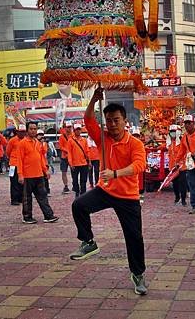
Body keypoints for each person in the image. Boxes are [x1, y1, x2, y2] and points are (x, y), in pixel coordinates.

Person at [69, 88, 148, 296]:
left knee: (134, 238)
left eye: (116, 120)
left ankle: (138, 275)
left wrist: (115, 173)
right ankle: (88, 242)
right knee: (79, 205)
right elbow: (87, 119)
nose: (112, 124)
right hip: (105, 191)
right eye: (109, 120)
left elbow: (139, 166)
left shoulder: (135, 143)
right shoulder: (102, 138)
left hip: (128, 196)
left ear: (124, 121)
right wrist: (94, 99)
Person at [18, 122, 58, 224]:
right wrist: (20, 175)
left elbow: (41, 158)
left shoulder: (38, 143)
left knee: (43, 196)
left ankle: (48, 215)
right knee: (27, 198)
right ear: (27, 130)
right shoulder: (22, 143)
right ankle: (27, 217)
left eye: (35, 129)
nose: (33, 131)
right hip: (27, 175)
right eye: (31, 129)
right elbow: (19, 160)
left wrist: (45, 170)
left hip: (39, 174)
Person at [5, 124, 26, 206]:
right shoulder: (12, 140)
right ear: (17, 132)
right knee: (13, 182)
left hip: (23, 164)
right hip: (13, 164)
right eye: (20, 132)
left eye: (23, 132)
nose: (22, 133)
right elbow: (8, 151)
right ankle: (14, 199)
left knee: (22, 182)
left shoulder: (26, 140)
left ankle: (21, 198)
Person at [68, 123, 90, 197]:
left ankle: (83, 193)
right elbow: (69, 153)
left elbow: (87, 151)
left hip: (84, 163)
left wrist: (89, 161)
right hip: (74, 164)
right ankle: (77, 192)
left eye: (79, 129)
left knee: (83, 180)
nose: (78, 131)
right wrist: (71, 164)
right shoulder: (70, 140)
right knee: (75, 180)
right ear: (74, 130)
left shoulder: (84, 140)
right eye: (76, 130)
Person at [168, 125, 187, 206]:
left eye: (174, 132)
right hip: (173, 167)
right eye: (171, 132)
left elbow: (185, 153)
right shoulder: (170, 143)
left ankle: (183, 199)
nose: (172, 133)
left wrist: (180, 163)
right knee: (175, 184)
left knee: (182, 183)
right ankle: (177, 197)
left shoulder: (182, 142)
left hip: (181, 167)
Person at [58, 122, 73, 194]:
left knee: (74, 171)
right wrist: (67, 151)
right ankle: (66, 186)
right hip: (64, 157)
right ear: (65, 128)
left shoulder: (73, 136)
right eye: (68, 127)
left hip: (72, 157)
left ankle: (74, 184)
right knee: (64, 172)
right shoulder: (61, 136)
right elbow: (60, 146)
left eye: (70, 127)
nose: (69, 128)